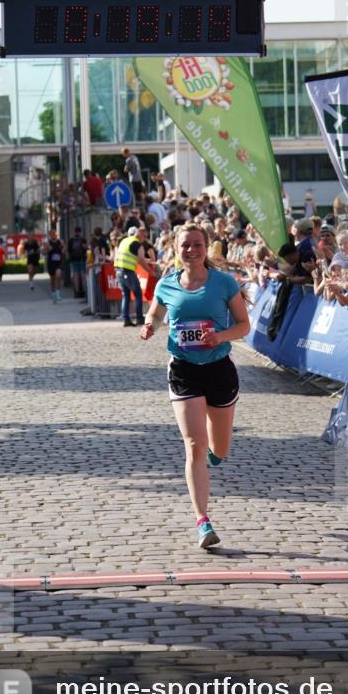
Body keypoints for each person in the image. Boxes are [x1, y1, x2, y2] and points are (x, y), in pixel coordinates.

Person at [140, 222, 250, 549]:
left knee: (219, 449)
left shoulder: (224, 283)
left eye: (197, 244)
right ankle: (202, 521)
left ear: (206, 247)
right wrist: (149, 326)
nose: (192, 250)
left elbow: (244, 325)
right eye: (186, 244)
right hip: (183, 368)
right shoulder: (167, 284)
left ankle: (216, 456)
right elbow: (156, 315)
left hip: (219, 369)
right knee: (193, 445)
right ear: (177, 248)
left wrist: (219, 336)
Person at [113, 225, 154, 326]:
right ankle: (139, 318)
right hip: (128, 272)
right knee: (138, 294)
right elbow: (141, 260)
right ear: (139, 234)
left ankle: (126, 319)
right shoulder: (137, 244)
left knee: (125, 295)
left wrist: (148, 261)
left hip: (118, 271)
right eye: (144, 237)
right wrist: (150, 271)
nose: (144, 239)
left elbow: (133, 257)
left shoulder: (125, 240)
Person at [43, 228, 65, 303]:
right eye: (52, 234)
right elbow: (44, 253)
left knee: (58, 276)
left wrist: (63, 247)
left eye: (55, 234)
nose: (54, 235)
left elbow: (64, 251)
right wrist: (47, 249)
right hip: (51, 263)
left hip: (58, 263)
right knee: (52, 280)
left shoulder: (60, 242)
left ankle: (58, 293)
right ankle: (53, 293)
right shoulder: (47, 243)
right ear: (49, 235)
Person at [67, 226, 86, 299]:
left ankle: (77, 292)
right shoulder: (83, 239)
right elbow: (85, 249)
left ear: (74, 232)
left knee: (75, 276)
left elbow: (69, 250)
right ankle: (83, 291)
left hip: (74, 260)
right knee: (82, 275)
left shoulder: (71, 240)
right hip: (81, 259)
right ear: (80, 232)